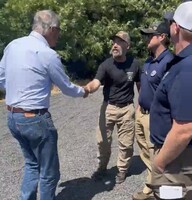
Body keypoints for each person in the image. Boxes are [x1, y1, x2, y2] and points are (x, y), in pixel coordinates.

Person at [0, 10, 89, 200]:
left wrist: (19, 92)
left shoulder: (13, 46)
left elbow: (1, 79)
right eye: (59, 30)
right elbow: (66, 87)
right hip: (35, 119)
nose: (59, 35)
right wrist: (85, 91)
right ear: (52, 28)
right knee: (49, 172)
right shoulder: (47, 54)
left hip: (13, 117)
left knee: (32, 163)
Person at [84, 31, 141, 184]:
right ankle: (102, 168)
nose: (114, 45)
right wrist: (88, 88)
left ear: (127, 46)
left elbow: (139, 85)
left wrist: (141, 105)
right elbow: (96, 81)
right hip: (108, 107)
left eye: (119, 42)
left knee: (126, 143)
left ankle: (122, 170)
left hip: (127, 109)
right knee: (102, 141)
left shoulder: (135, 64)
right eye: (114, 42)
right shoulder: (106, 64)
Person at [149, 1, 192, 199]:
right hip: (176, 156)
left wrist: (159, 163)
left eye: (171, 23)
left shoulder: (187, 68)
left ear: (177, 28)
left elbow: (184, 129)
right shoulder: (182, 62)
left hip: (176, 161)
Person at [132, 21, 174, 200]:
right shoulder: (148, 60)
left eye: (151, 35)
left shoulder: (170, 62)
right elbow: (145, 86)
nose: (147, 39)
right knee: (145, 152)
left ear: (162, 37)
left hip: (156, 118)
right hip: (142, 113)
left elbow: (171, 96)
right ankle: (153, 186)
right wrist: (140, 103)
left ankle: (155, 191)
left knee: (158, 156)